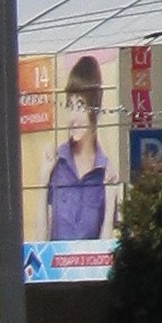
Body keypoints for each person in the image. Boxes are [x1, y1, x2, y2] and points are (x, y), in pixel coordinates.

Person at [45, 59, 110, 242]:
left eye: (80, 106)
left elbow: (105, 249)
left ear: (95, 108)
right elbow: (40, 242)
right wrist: (43, 181)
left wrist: (111, 196)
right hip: (55, 261)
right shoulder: (56, 163)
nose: (73, 117)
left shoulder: (104, 171)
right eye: (69, 105)